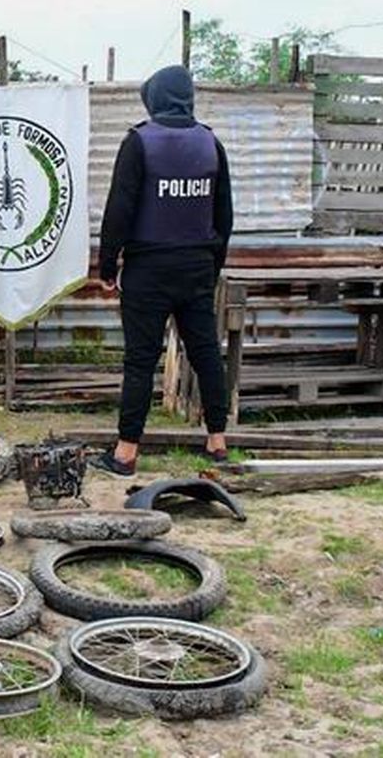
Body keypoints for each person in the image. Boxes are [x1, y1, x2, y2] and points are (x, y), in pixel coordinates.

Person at [94, 65, 234, 475]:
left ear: (153, 99)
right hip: (196, 267)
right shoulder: (211, 144)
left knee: (140, 360)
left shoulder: (139, 142)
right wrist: (212, 265)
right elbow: (224, 216)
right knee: (206, 353)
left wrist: (107, 265)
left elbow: (119, 209)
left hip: (148, 268)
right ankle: (217, 441)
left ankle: (125, 452)